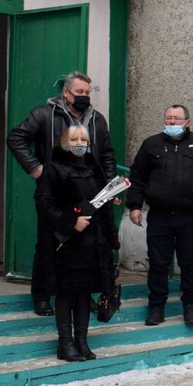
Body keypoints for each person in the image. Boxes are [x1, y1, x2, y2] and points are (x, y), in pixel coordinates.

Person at [7, 71, 116, 316]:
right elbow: (16, 137)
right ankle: (42, 297)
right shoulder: (44, 114)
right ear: (66, 93)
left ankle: (82, 295)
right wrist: (35, 168)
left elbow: (107, 154)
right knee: (48, 243)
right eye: (79, 92)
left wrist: (109, 186)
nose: (84, 96)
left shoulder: (97, 119)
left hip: (88, 190)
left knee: (84, 246)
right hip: (55, 191)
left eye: (87, 92)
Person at [126, 104, 193, 327]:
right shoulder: (151, 144)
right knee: (158, 263)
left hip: (189, 215)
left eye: (177, 119)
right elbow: (138, 176)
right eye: (168, 118)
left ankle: (190, 305)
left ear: (187, 122)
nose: (171, 122)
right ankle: (156, 307)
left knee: (190, 262)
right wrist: (134, 206)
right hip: (159, 215)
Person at [34, 125, 118, 362]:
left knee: (84, 294)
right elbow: (44, 204)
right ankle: (65, 344)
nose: (79, 143)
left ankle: (81, 341)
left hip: (94, 243)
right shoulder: (53, 169)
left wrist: (111, 238)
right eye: (74, 139)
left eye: (83, 139)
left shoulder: (94, 169)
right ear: (64, 143)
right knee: (66, 293)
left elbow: (103, 205)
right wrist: (71, 222)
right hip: (68, 243)